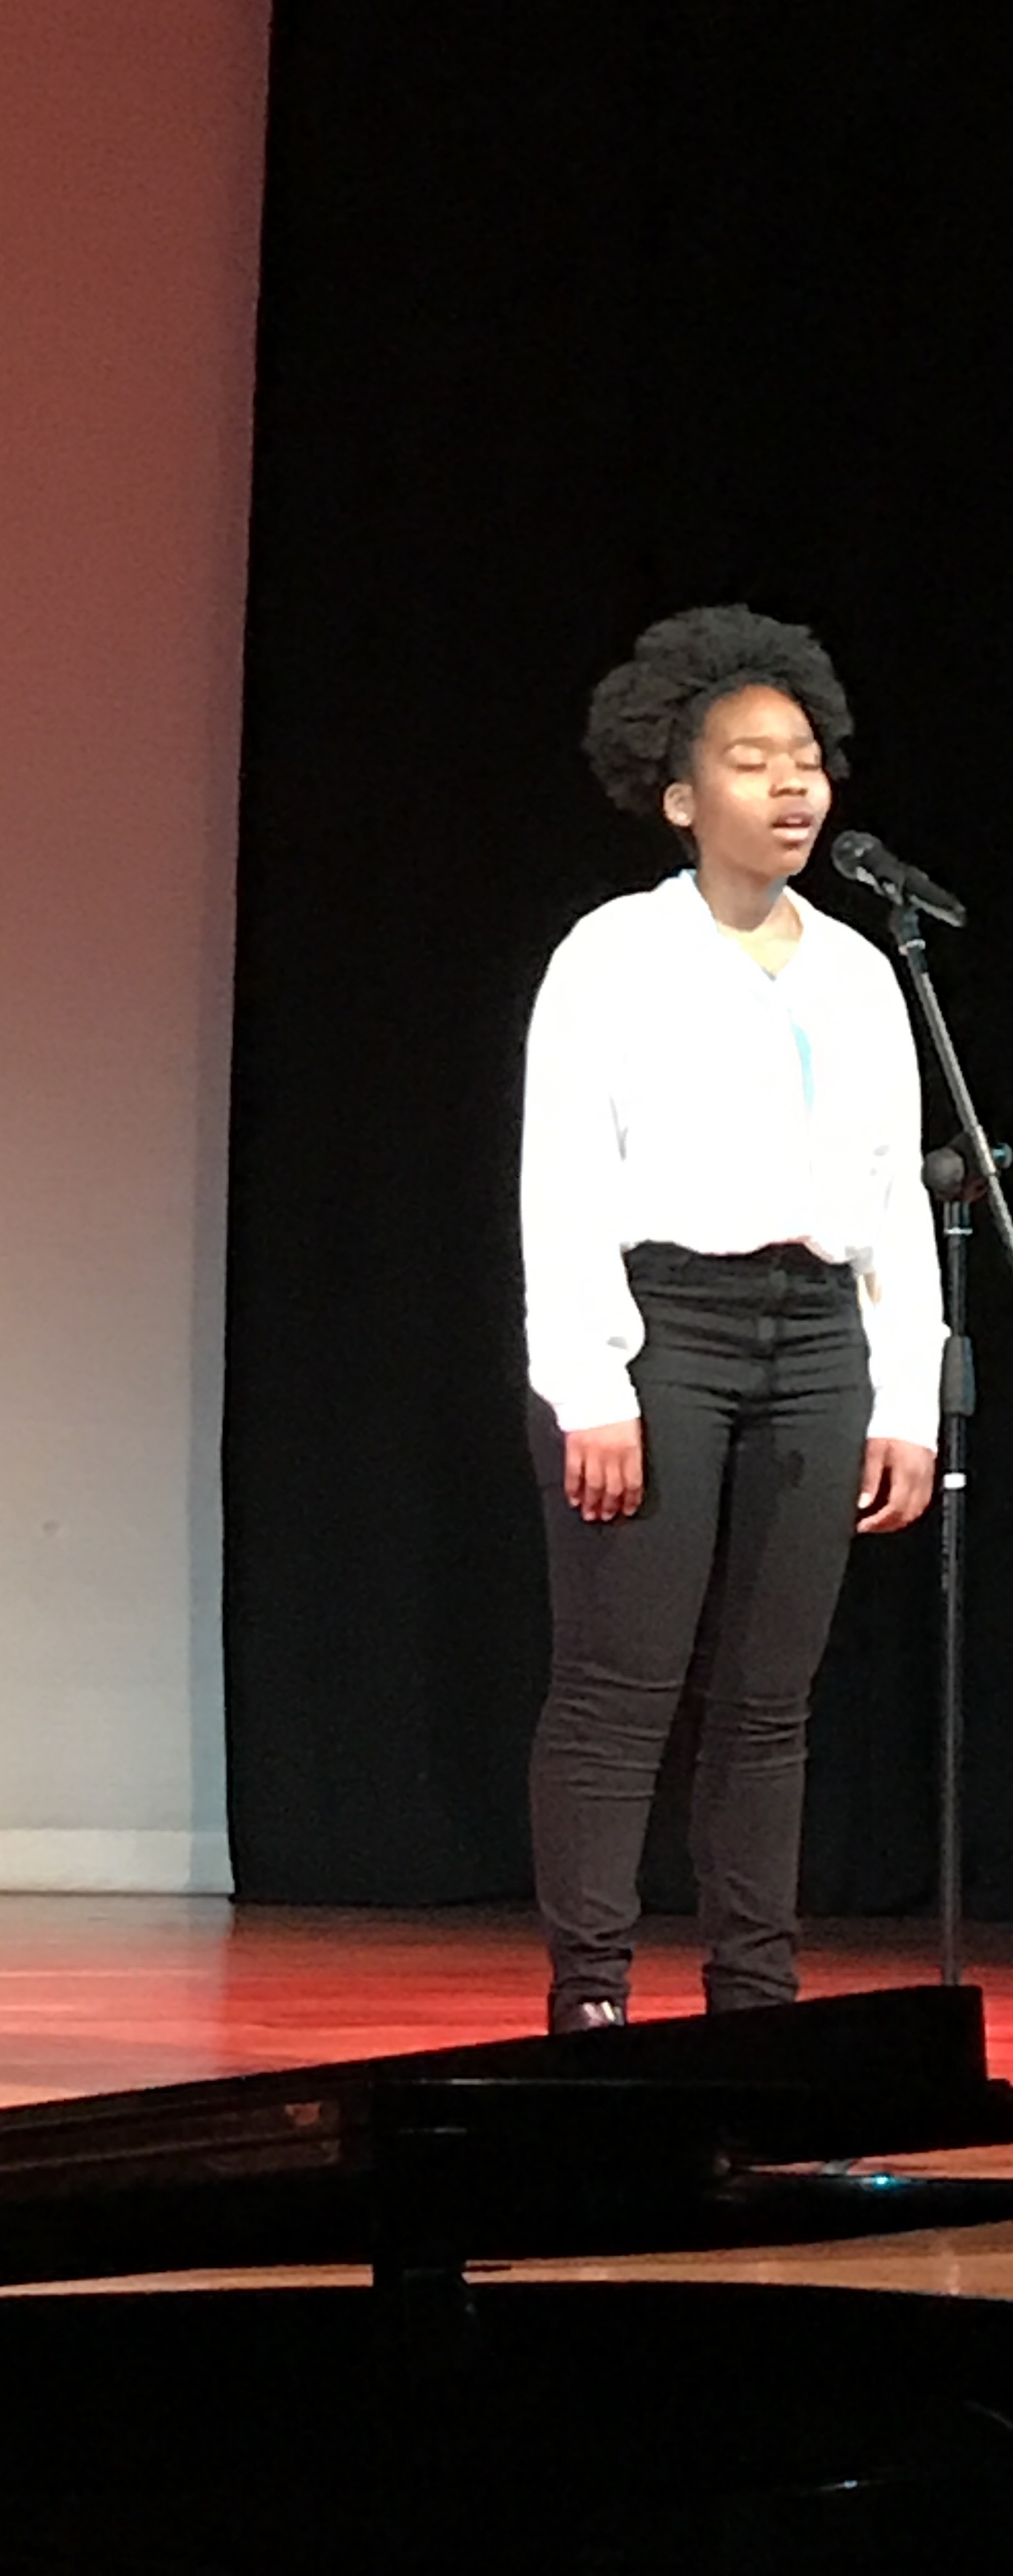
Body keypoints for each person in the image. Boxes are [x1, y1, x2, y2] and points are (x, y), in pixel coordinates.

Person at [520, 604, 941, 2035]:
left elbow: (895, 1198)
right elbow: (563, 1177)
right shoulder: (614, 954)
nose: (791, 786)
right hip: (667, 1330)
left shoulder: (862, 971)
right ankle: (592, 1997)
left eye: (806, 760)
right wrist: (591, 1385)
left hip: (818, 1334)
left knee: (771, 1702)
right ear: (682, 797)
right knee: (619, 1687)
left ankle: (757, 2002)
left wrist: (905, 1398)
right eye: (752, 763)